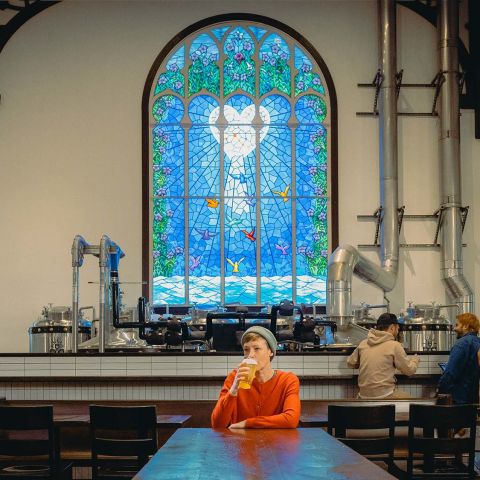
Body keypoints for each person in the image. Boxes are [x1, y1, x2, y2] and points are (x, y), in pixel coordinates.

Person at [211, 326, 300, 428]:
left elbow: (291, 420)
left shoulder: (287, 380)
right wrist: (233, 391)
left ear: (270, 351)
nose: (250, 355)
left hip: (275, 442)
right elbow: (217, 424)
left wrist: (247, 423)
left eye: (257, 349)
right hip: (240, 442)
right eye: (246, 349)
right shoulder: (235, 378)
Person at [347, 312, 419, 399]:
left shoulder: (363, 343)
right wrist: (415, 360)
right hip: (385, 395)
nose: (398, 329)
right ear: (392, 328)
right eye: (397, 327)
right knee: (412, 403)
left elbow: (350, 363)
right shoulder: (394, 345)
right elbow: (409, 371)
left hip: (363, 396)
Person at [437, 312, 480, 404]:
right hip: (473, 398)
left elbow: (450, 373)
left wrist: (440, 390)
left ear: (465, 326)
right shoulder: (477, 342)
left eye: (457, 325)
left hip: (459, 398)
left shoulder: (462, 343)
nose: (454, 328)